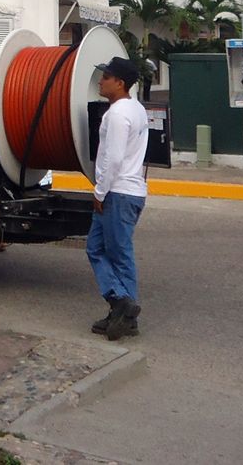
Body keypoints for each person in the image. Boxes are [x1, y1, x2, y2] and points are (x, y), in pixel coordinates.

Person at [88, 55, 148, 342]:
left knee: (110, 252)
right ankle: (123, 311)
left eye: (106, 77)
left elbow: (113, 158)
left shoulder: (117, 114)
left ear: (120, 83)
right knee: (104, 250)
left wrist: (100, 191)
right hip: (129, 191)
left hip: (117, 192)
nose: (101, 81)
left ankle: (121, 301)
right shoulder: (136, 109)